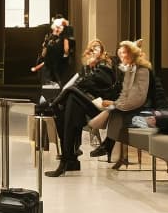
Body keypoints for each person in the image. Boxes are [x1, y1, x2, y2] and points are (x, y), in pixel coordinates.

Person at [44, 39, 117, 177]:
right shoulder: (87, 68)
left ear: (102, 51)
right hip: (86, 104)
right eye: (91, 48)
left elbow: (96, 84)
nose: (93, 50)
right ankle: (70, 159)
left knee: (70, 93)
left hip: (101, 106)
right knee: (65, 110)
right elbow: (82, 84)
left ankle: (67, 159)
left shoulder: (105, 65)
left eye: (97, 47)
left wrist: (89, 71)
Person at [89, 40, 151, 166]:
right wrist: (115, 103)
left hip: (144, 110)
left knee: (116, 112)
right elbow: (125, 95)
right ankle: (107, 144)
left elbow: (138, 99)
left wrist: (115, 104)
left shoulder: (141, 71)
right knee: (115, 111)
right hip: (133, 107)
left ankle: (107, 143)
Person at [31, 15, 74, 85]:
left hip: (60, 66)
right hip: (50, 66)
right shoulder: (50, 37)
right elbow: (43, 54)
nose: (57, 29)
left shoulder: (65, 37)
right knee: (49, 87)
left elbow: (66, 51)